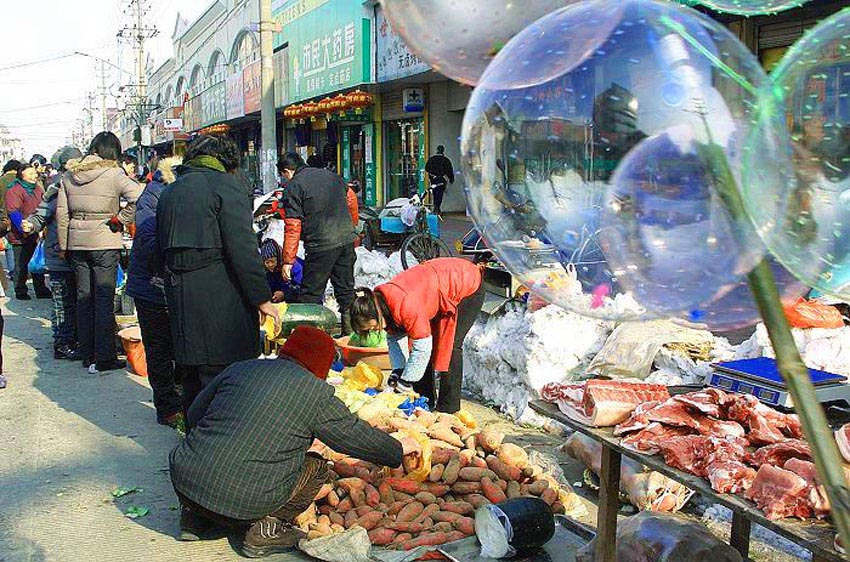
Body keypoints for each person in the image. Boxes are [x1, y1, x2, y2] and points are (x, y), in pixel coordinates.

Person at [170, 326, 418, 557]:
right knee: (317, 468)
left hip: (184, 480)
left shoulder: (242, 368)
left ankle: (195, 519)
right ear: (320, 365)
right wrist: (397, 448)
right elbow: (352, 435)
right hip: (246, 501)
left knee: (206, 461)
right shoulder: (315, 392)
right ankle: (266, 531)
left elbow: (194, 415)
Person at [157, 135, 279, 416]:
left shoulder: (171, 191)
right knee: (224, 378)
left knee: (191, 375)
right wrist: (261, 298)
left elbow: (159, 252)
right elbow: (243, 248)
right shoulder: (225, 187)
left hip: (180, 294)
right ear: (227, 163)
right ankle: (221, 448)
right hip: (220, 297)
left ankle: (193, 443)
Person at [350, 257, 485, 413]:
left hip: (465, 283)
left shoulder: (405, 304)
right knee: (423, 343)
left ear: (376, 315)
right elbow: (394, 338)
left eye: (372, 327)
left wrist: (407, 380)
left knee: (449, 345)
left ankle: (448, 408)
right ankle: (426, 400)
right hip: (435, 286)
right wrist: (398, 371)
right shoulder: (381, 304)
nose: (373, 331)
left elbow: (422, 349)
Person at [57, 132, 143, 372]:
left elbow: (62, 214)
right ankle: (104, 356)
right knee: (104, 298)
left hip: (76, 243)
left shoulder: (70, 175)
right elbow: (139, 196)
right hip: (105, 239)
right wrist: (121, 219)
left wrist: (64, 246)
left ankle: (87, 354)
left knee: (84, 298)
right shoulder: (114, 173)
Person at [126, 156, 184, 429]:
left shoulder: (176, 198)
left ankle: (180, 400)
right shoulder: (152, 204)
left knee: (179, 346)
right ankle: (167, 408)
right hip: (151, 289)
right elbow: (150, 249)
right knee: (160, 349)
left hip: (172, 288)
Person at [279, 152, 357, 335]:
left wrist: (288, 261)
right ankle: (352, 337)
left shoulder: (294, 186)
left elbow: (293, 226)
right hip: (345, 240)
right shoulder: (332, 176)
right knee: (346, 291)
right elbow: (351, 201)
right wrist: (351, 228)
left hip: (320, 245)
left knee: (310, 296)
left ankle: (310, 341)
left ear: (287, 171)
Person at [22, 146, 84, 360]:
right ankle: (62, 343)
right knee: (62, 302)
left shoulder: (83, 185)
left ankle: (74, 339)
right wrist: (30, 224)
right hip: (59, 255)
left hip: (77, 253)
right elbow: (41, 215)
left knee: (75, 301)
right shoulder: (57, 188)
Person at [6, 161, 48, 300]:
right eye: (30, 173)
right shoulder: (14, 190)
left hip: (36, 231)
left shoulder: (38, 188)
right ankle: (20, 290)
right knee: (21, 264)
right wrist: (23, 227)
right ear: (22, 174)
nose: (34, 175)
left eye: (34, 173)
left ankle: (40, 289)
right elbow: (13, 211)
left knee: (36, 262)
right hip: (20, 234)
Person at [260, 238, 301, 303]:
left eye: (272, 261)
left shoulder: (294, 267)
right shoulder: (268, 273)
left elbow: (302, 288)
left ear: (279, 258)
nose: (270, 265)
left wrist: (284, 294)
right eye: (267, 262)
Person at [425, 145, 455, 215]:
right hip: (442, 179)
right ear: (443, 150)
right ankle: (437, 207)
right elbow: (449, 170)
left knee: (435, 193)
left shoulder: (432, 159)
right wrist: (451, 179)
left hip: (434, 179)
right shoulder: (446, 160)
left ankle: (435, 207)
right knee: (440, 194)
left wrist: (431, 175)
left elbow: (427, 168)